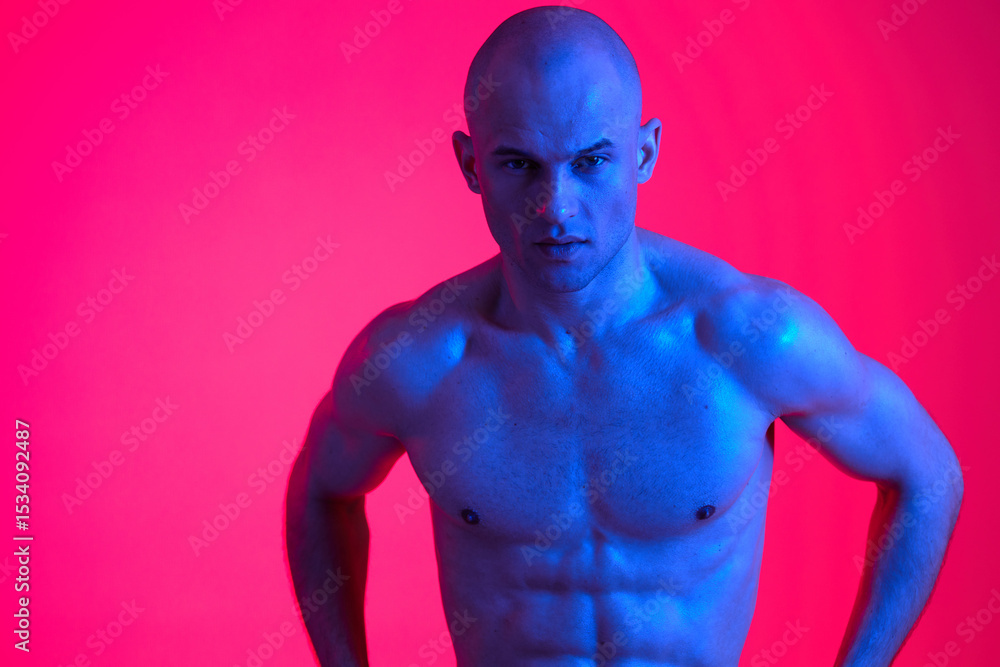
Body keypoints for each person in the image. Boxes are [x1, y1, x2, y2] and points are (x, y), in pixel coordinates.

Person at [284, 6, 963, 666]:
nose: (556, 208)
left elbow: (927, 474)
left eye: (590, 162)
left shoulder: (747, 339)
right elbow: (320, 493)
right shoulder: (417, 360)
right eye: (519, 164)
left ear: (644, 153)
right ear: (470, 165)